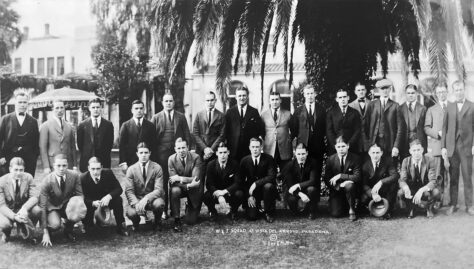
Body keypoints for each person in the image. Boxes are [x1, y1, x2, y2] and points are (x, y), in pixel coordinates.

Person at [152, 93, 193, 219]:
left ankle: (176, 210)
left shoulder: (180, 117)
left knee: (176, 182)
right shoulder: (156, 117)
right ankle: (163, 210)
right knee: (163, 183)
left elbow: (187, 134)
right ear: (162, 102)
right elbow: (153, 139)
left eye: (170, 101)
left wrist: (189, 150)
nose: (168, 103)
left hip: (177, 156)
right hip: (161, 156)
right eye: (166, 101)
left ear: (174, 102)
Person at [442, 80, 474, 215]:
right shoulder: (449, 107)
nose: (459, 92)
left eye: (461, 89)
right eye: (456, 90)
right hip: (452, 147)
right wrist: (444, 147)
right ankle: (453, 204)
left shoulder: (472, 106)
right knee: (453, 177)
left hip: (466, 146)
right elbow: (444, 128)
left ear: (464, 90)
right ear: (453, 92)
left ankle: (470, 205)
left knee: (467, 176)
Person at [39, 154, 84, 247]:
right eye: (58, 166)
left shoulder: (74, 176)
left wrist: (77, 210)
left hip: (66, 204)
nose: (61, 168)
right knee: (55, 225)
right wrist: (45, 232)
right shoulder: (47, 181)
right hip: (52, 206)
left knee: (77, 209)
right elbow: (42, 206)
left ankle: (68, 230)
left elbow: (80, 195)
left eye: (64, 166)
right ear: (53, 165)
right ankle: (50, 229)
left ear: (67, 165)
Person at [80, 157, 128, 236]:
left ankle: (121, 226)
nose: (95, 172)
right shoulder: (83, 178)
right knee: (89, 231)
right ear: (88, 168)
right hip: (91, 204)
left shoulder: (108, 173)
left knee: (118, 200)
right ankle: (87, 225)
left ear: (102, 167)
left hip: (106, 203)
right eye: (93, 169)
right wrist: (92, 203)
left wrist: (109, 196)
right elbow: (82, 197)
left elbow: (119, 189)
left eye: (98, 168)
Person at [124, 142, 165, 232]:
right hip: (137, 200)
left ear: (150, 153)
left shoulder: (157, 167)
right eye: (141, 153)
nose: (143, 155)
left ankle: (157, 222)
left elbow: (159, 189)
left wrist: (146, 198)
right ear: (137, 154)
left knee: (159, 204)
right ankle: (136, 223)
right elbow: (129, 191)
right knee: (131, 213)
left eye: (146, 153)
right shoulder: (131, 169)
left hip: (152, 199)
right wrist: (137, 204)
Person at [0, 157, 41, 243]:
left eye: (21, 170)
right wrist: (14, 217)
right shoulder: (2, 181)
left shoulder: (28, 177)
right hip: (8, 209)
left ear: (24, 169)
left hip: (22, 208)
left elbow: (34, 197)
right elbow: (2, 205)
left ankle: (29, 231)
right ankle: (6, 233)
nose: (18, 173)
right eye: (16, 170)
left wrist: (25, 208)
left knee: (37, 210)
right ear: (10, 169)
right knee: (5, 224)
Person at [0, 90, 39, 177]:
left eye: (25, 102)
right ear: (15, 103)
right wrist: (1, 156)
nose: (22, 104)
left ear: (27, 103)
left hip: (28, 160)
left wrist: (33, 158)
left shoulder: (33, 121)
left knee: (26, 185)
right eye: (20, 102)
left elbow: (36, 142)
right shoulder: (5, 119)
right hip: (8, 159)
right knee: (9, 186)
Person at [398, 140, 440, 219]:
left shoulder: (429, 160)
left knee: (436, 192)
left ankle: (429, 208)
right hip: (412, 189)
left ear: (422, 150)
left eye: (418, 150)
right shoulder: (406, 161)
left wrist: (421, 190)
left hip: (425, 189)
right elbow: (402, 180)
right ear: (410, 151)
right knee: (400, 192)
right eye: (414, 150)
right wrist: (406, 187)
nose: (416, 153)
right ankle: (411, 208)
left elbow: (433, 181)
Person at [168, 138, 203, 232]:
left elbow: (196, 179)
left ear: (188, 148)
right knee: (175, 190)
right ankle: (176, 219)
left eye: (183, 147)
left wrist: (180, 178)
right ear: (175, 149)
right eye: (178, 148)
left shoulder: (196, 157)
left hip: (194, 189)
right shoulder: (171, 159)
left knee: (190, 221)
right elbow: (173, 181)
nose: (181, 150)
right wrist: (188, 185)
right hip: (182, 188)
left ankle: (190, 205)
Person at [240, 137, 277, 222]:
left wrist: (256, 183)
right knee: (252, 216)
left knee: (268, 186)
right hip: (251, 191)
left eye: (257, 147)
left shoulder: (269, 158)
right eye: (253, 147)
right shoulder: (244, 160)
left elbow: (272, 176)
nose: (255, 149)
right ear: (249, 148)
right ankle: (256, 207)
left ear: (261, 147)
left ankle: (268, 211)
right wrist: (249, 196)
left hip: (264, 189)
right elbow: (241, 181)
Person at [203, 142, 243, 221]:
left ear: (228, 152)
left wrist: (224, 192)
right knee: (206, 196)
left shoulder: (234, 164)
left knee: (240, 194)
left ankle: (233, 211)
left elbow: (237, 183)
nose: (223, 155)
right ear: (217, 153)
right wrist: (219, 195)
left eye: (225, 152)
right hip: (217, 193)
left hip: (229, 192)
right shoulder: (211, 164)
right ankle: (213, 211)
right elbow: (209, 184)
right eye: (220, 152)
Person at [364, 79, 402, 162]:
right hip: (374, 143)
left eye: (387, 88)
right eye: (382, 88)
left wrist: (396, 146)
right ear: (378, 90)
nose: (385, 90)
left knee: (391, 168)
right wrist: (368, 144)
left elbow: (400, 128)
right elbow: (365, 126)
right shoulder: (372, 105)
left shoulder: (395, 106)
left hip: (390, 144)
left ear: (390, 89)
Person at [324, 136, 361, 221]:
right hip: (337, 190)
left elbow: (358, 177)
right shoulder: (331, 159)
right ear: (335, 147)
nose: (341, 149)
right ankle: (342, 204)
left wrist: (341, 175)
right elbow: (326, 179)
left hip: (350, 189)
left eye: (343, 146)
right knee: (335, 214)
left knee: (349, 185)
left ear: (348, 146)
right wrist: (339, 185)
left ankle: (352, 210)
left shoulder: (355, 158)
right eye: (339, 147)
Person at [224, 86, 265, 161]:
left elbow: (260, 129)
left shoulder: (254, 112)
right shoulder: (230, 112)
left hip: (249, 149)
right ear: (236, 97)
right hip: (234, 149)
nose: (242, 98)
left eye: (244, 95)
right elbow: (226, 130)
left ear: (247, 96)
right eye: (239, 96)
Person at [424, 83, 449, 206]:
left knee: (452, 174)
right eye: (439, 92)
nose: (441, 94)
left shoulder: (453, 107)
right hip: (437, 147)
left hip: (452, 147)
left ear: (447, 92)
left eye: (443, 91)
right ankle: (438, 199)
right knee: (439, 175)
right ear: (436, 94)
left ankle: (451, 200)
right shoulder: (431, 110)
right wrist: (437, 133)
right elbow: (427, 128)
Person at [281, 143, 320, 219]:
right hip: (294, 191)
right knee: (291, 199)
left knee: (312, 189)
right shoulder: (289, 165)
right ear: (295, 153)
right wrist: (300, 194)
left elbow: (312, 181)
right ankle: (296, 211)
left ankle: (311, 211)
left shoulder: (313, 163)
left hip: (307, 188)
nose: (301, 156)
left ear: (307, 153)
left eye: (303, 154)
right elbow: (290, 186)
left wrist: (298, 185)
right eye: (298, 154)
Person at [360, 144, 399, 219]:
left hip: (384, 188)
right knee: (363, 199)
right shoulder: (365, 165)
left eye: (377, 153)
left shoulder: (388, 161)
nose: (375, 155)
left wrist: (381, 182)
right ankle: (371, 207)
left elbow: (395, 175)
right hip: (372, 190)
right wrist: (373, 194)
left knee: (394, 184)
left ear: (381, 153)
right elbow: (364, 184)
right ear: (369, 153)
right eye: (373, 153)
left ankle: (388, 209)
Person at [39, 99, 77, 173]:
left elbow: (73, 147)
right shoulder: (46, 125)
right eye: (57, 108)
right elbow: (42, 148)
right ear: (52, 109)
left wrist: (75, 165)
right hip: (53, 163)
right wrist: (46, 166)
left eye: (61, 107)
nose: (60, 110)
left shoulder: (69, 126)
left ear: (64, 109)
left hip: (67, 164)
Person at [77, 98, 114, 172]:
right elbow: (80, 145)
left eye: (98, 107)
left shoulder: (108, 125)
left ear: (101, 108)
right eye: (93, 107)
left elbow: (110, 144)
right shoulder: (82, 125)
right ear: (89, 108)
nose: (95, 109)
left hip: (103, 162)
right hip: (87, 162)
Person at [292, 85, 326, 167]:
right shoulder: (298, 111)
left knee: (317, 169)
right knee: (303, 170)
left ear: (315, 94)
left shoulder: (322, 109)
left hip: (318, 146)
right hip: (303, 147)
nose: (310, 96)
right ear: (304, 95)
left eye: (311, 93)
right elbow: (294, 129)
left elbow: (324, 128)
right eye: (308, 94)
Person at [118, 100, 156, 173]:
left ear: (144, 110)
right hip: (130, 162)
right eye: (136, 108)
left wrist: (153, 162)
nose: (139, 110)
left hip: (147, 162)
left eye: (141, 108)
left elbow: (154, 146)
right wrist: (123, 162)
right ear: (132, 110)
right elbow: (122, 145)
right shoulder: (125, 125)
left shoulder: (150, 126)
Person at [260, 91, 293, 169]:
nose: (274, 102)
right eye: (272, 100)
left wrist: (288, 139)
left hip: (285, 149)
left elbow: (294, 129)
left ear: (280, 100)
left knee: (286, 172)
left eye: (277, 99)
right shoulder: (263, 115)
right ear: (269, 101)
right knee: (270, 172)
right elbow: (261, 132)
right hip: (269, 148)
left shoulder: (288, 114)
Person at [192, 91, 225, 162]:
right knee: (200, 171)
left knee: (213, 171)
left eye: (212, 100)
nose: (210, 102)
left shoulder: (221, 116)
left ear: (215, 100)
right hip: (201, 150)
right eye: (207, 100)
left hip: (215, 150)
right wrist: (205, 148)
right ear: (204, 101)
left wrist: (212, 149)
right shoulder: (199, 115)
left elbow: (222, 135)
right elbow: (195, 133)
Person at [326, 89, 361, 153]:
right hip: (335, 148)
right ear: (337, 99)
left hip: (351, 148)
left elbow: (357, 130)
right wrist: (336, 146)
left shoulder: (355, 113)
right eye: (340, 97)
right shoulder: (331, 113)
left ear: (348, 98)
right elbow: (329, 131)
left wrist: (349, 144)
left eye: (344, 97)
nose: (342, 99)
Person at [398, 84, 427, 159]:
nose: (410, 95)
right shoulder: (399, 109)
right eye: (408, 93)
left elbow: (426, 127)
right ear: (405, 94)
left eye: (413, 93)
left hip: (419, 144)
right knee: (405, 165)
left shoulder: (423, 109)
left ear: (416, 93)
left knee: (419, 167)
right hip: (404, 143)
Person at [349, 82, 369, 153]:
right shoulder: (350, 106)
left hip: (368, 141)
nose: (361, 92)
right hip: (355, 142)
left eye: (363, 90)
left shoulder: (372, 104)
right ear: (355, 92)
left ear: (366, 90)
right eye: (359, 90)